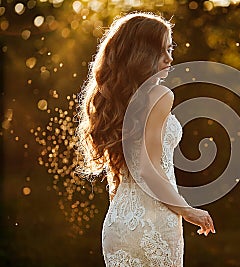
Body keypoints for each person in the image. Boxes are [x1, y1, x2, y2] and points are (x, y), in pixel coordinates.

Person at [76, 12, 215, 266]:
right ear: (140, 54)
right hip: (155, 220)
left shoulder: (119, 102)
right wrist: (187, 211)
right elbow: (148, 170)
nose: (169, 58)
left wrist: (124, 223)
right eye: (160, 51)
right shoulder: (160, 95)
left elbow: (118, 176)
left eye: (169, 49)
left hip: (117, 224)